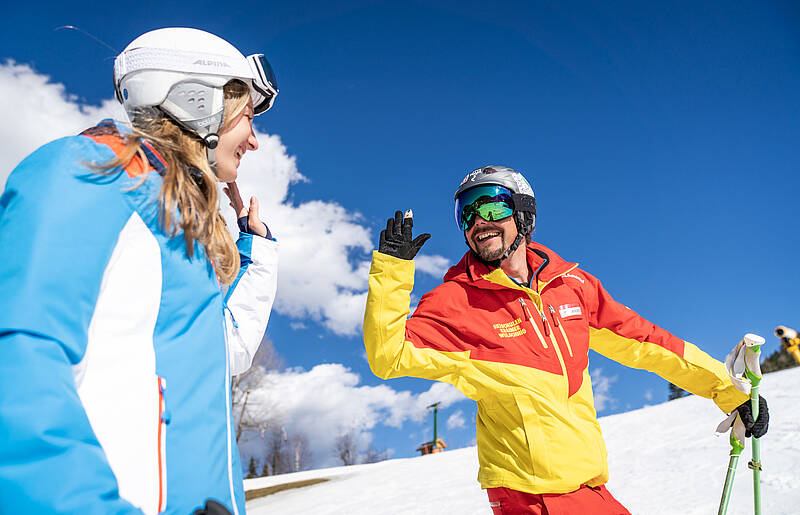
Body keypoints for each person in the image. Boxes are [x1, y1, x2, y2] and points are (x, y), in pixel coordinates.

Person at [362, 165, 769, 514]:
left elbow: (647, 342)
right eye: (466, 214)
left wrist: (726, 390)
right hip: (529, 496)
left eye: (492, 205)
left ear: (524, 213)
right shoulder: (457, 300)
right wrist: (392, 273)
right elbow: (388, 356)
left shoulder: (570, 284)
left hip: (587, 487)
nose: (478, 221)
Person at [0, 28, 280, 514]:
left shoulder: (176, 235)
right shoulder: (93, 172)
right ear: (199, 102)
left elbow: (223, 351)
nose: (253, 140)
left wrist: (257, 252)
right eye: (248, 117)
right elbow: (18, 356)